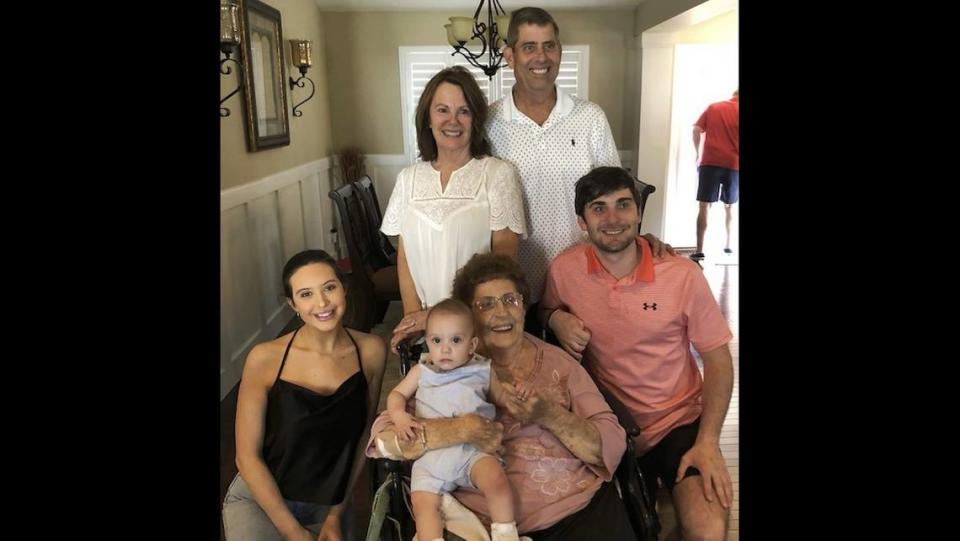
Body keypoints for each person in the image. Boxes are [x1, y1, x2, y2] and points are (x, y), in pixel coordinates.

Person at [368, 253, 637, 540]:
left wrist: (551, 416)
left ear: (524, 308)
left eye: (512, 300)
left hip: (578, 508)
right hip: (481, 522)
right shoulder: (444, 366)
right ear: (469, 315)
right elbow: (384, 441)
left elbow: (610, 442)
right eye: (486, 304)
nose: (502, 313)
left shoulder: (560, 363)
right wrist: (462, 429)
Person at [540, 166, 734, 539]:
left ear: (639, 213)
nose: (613, 219)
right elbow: (543, 311)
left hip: (680, 421)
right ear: (582, 221)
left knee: (708, 532)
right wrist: (554, 319)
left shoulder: (682, 275)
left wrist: (708, 441)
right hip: (609, 427)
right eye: (599, 208)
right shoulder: (565, 270)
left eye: (623, 205)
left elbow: (718, 359)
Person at [486, 6, 674, 334]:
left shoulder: (590, 118)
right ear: (510, 56)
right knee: (524, 382)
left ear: (559, 51)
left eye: (550, 45)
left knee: (586, 379)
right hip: (514, 285)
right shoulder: (489, 124)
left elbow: (615, 196)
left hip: (585, 281)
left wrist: (639, 239)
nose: (541, 57)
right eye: (529, 47)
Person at [222, 249, 386, 541]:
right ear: (293, 304)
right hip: (260, 499)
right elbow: (246, 458)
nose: (322, 303)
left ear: (343, 288)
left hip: (327, 503)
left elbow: (362, 436)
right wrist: (293, 532)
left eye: (329, 288)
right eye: (306, 294)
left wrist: (336, 515)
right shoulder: (265, 358)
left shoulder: (371, 351)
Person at [382, 65, 526, 352]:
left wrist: (441, 318)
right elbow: (405, 255)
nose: (453, 120)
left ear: (475, 119)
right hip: (426, 331)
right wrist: (413, 317)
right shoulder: (408, 178)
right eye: (442, 110)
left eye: (464, 111)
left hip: (478, 326)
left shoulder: (498, 174)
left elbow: (503, 265)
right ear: (428, 119)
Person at [388, 298, 522, 541]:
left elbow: (501, 397)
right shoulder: (422, 371)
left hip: (472, 452)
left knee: (497, 482)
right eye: (437, 341)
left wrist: (515, 395)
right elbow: (396, 394)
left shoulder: (482, 370)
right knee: (422, 504)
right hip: (431, 456)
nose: (445, 349)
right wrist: (399, 416)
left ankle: (505, 533)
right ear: (427, 341)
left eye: (455, 340)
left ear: (472, 345)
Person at [692, 89, 739, 261]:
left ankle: (699, 250)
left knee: (704, 205)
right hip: (734, 164)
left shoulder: (714, 107)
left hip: (710, 162)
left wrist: (698, 153)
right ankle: (728, 245)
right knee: (730, 206)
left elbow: (697, 130)